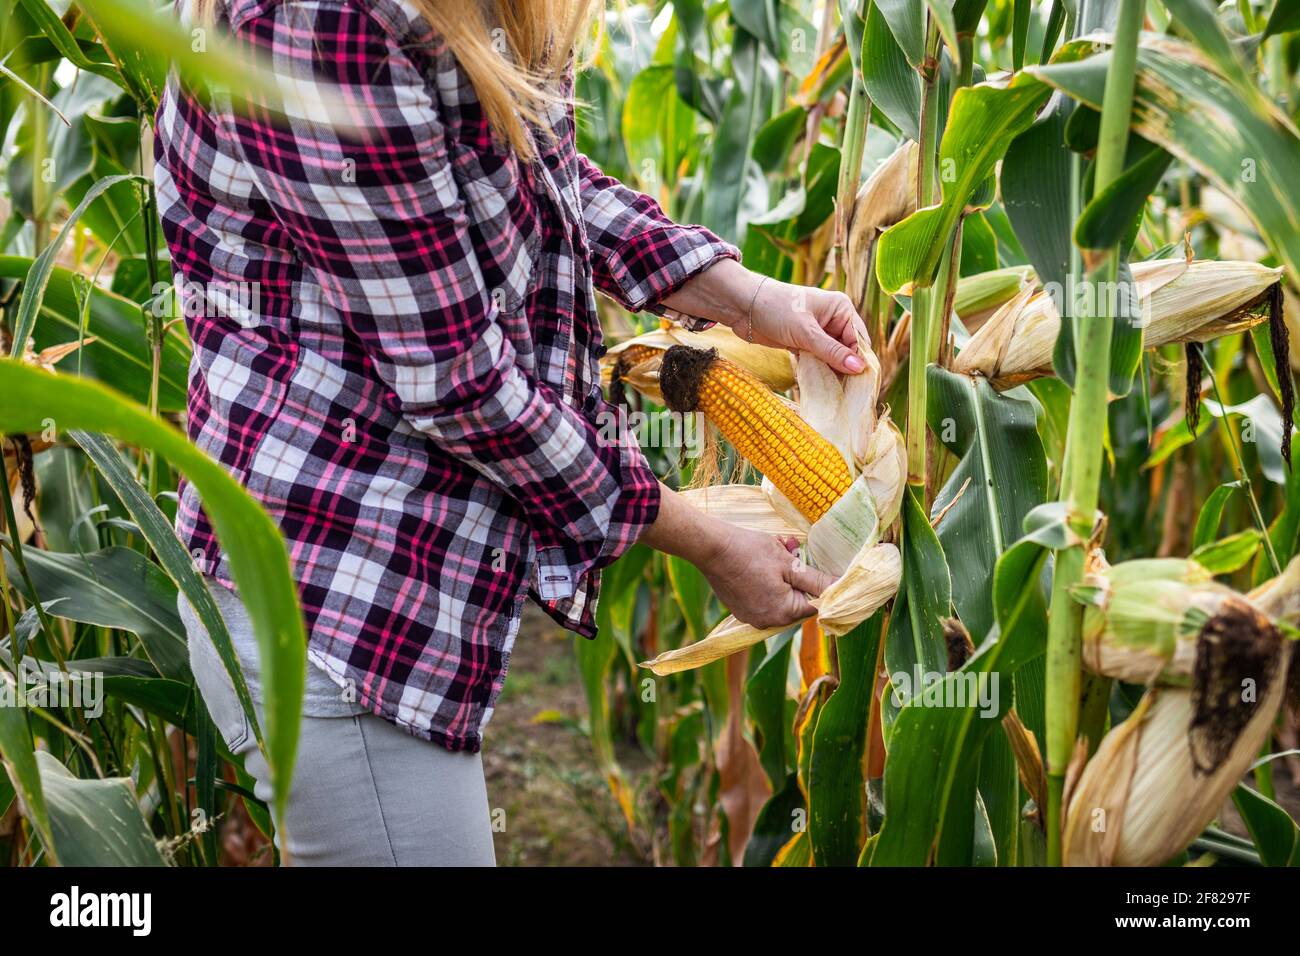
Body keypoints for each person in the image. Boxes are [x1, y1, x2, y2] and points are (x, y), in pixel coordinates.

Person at [156, 0, 867, 865]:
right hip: (332, 593)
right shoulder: (320, 19)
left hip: (392, 582)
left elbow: (533, 184)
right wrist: (710, 541)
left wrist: (753, 300)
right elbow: (460, 381)